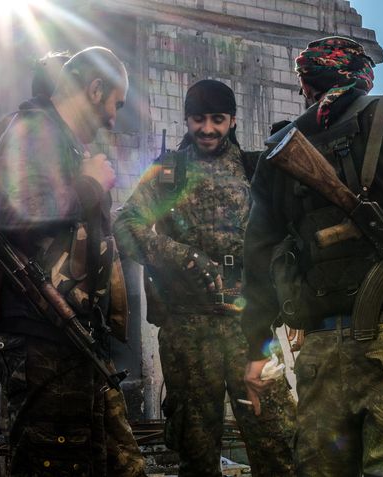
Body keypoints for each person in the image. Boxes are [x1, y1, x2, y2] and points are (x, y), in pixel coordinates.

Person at [242, 36, 383, 477]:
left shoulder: (278, 152)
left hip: (320, 349)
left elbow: (258, 255)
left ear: (306, 84)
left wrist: (255, 347)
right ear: (363, 78)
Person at [0, 46, 145, 476]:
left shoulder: (64, 145)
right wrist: (88, 185)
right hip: (41, 340)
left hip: (77, 340)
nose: (113, 118)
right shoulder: (32, 132)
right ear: (93, 89)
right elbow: (15, 213)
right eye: (115, 104)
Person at [114, 79, 296, 477]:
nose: (208, 129)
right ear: (186, 120)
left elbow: (285, 232)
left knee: (276, 443)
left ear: (232, 120)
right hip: (188, 328)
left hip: (250, 327)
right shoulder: (166, 172)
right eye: (199, 119)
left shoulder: (253, 167)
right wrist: (183, 257)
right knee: (196, 453)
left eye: (218, 119)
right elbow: (125, 225)